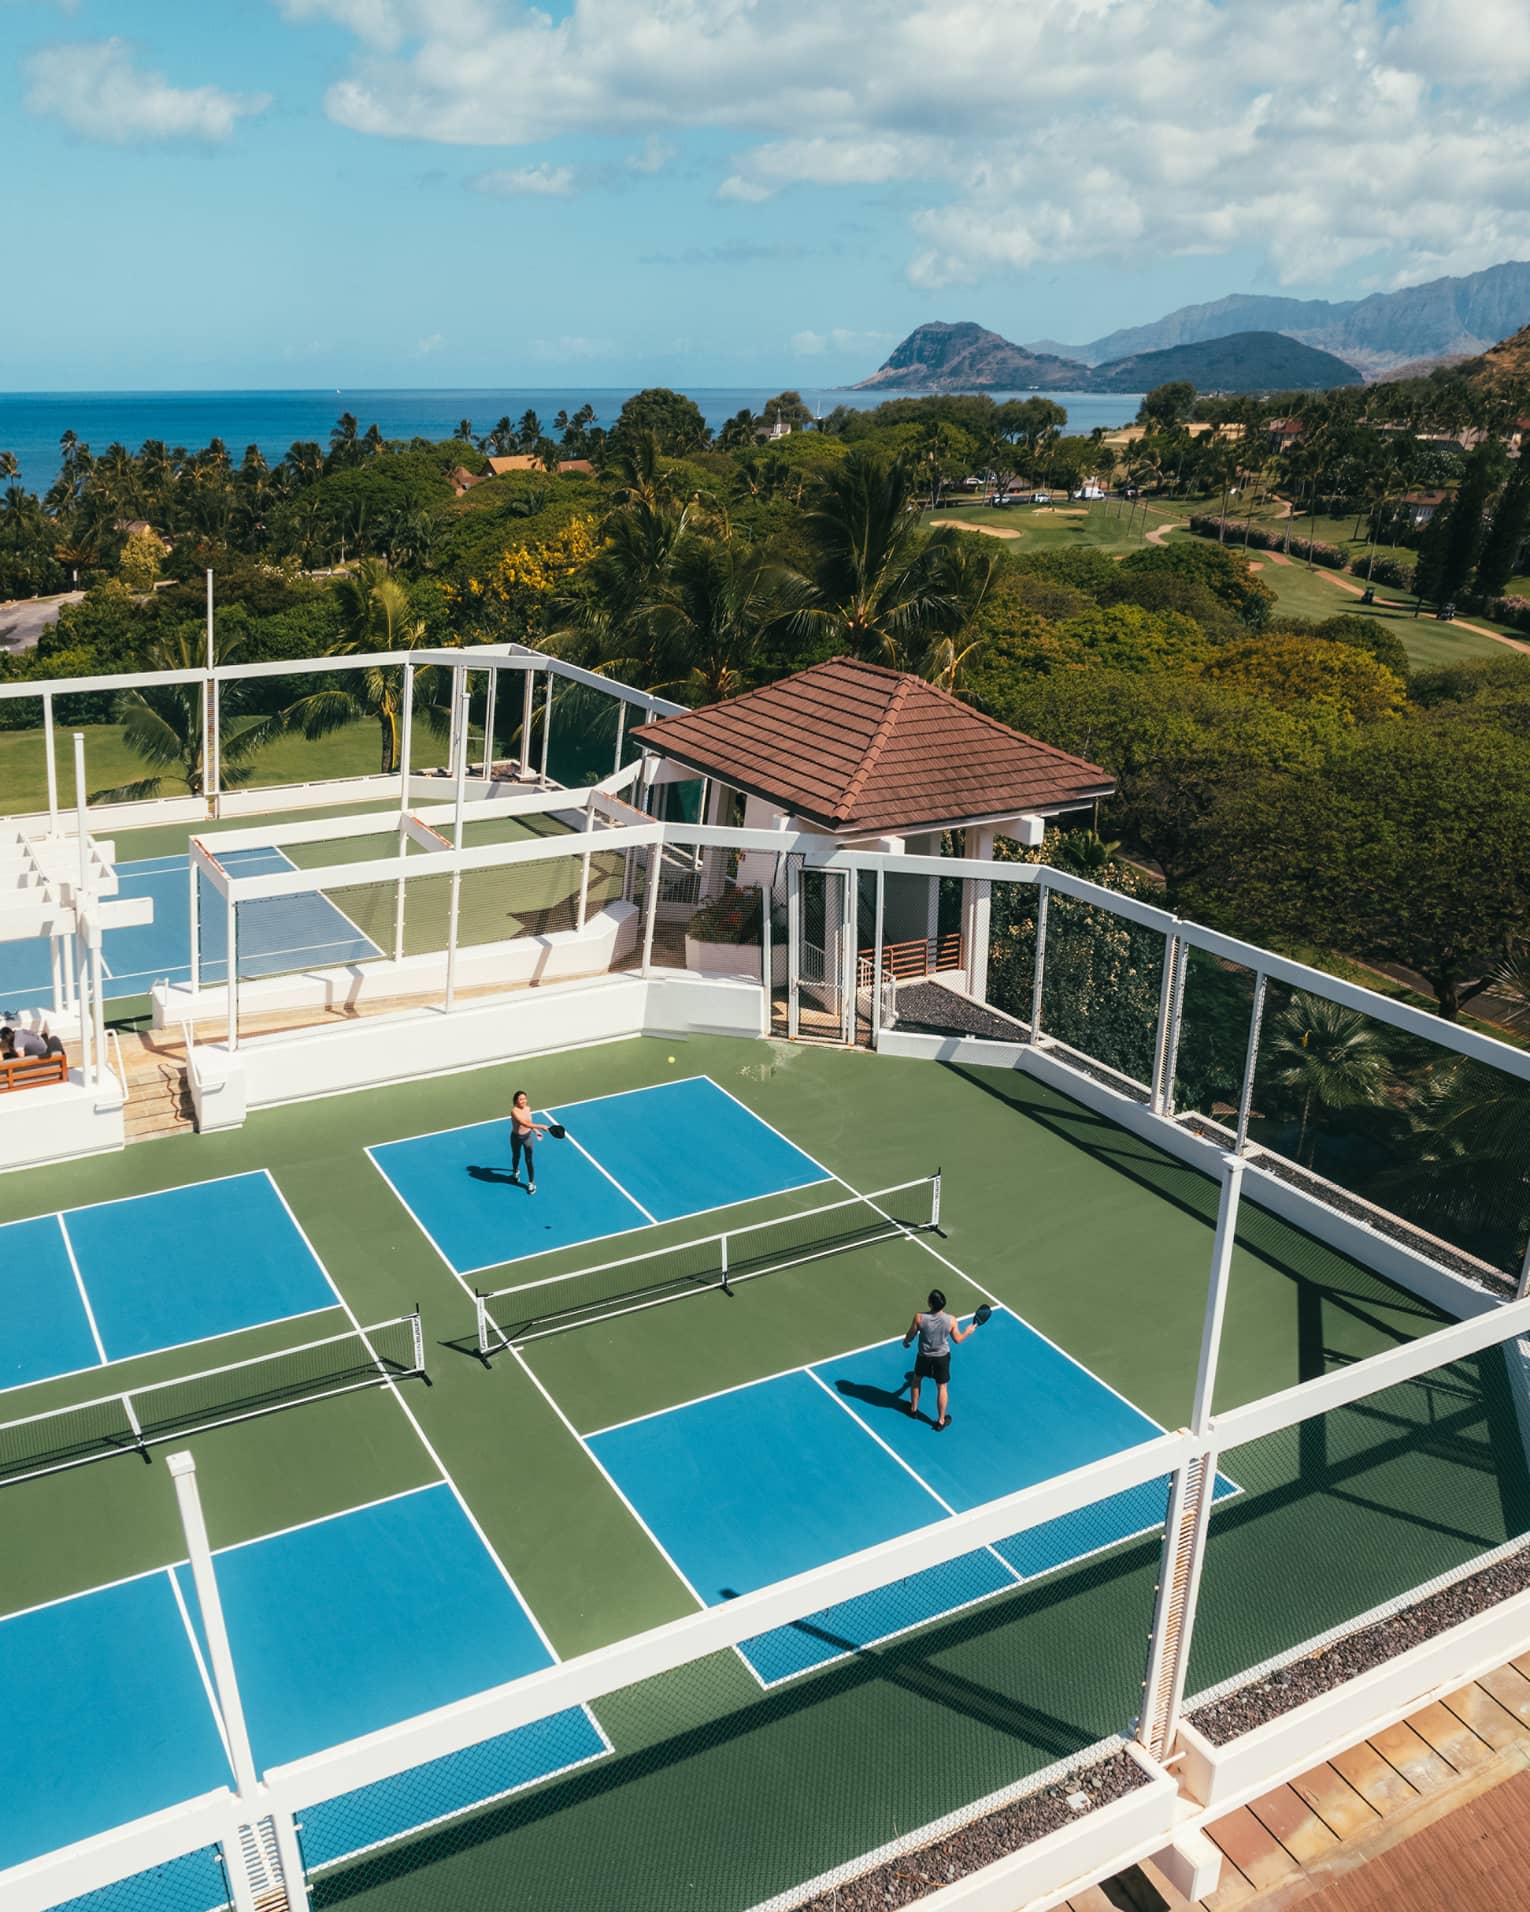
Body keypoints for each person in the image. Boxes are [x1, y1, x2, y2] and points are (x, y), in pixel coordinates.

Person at [903, 1287, 976, 1430]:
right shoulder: (951, 1320)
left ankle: (913, 1410)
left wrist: (906, 1342)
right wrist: (967, 1331)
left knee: (917, 1379)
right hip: (941, 1358)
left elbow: (911, 1335)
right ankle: (941, 1421)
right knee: (942, 1387)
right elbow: (958, 1340)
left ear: (930, 1303)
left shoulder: (919, 1317)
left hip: (924, 1356)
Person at [508, 1089, 546, 1194]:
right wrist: (541, 1126)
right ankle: (515, 1172)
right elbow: (524, 1123)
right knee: (516, 1156)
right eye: (521, 1099)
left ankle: (531, 1183)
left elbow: (529, 1122)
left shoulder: (528, 1108)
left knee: (529, 1160)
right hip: (516, 1138)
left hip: (527, 1138)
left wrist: (536, 1131)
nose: (523, 1101)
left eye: (524, 1098)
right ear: (516, 1101)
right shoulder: (514, 1111)